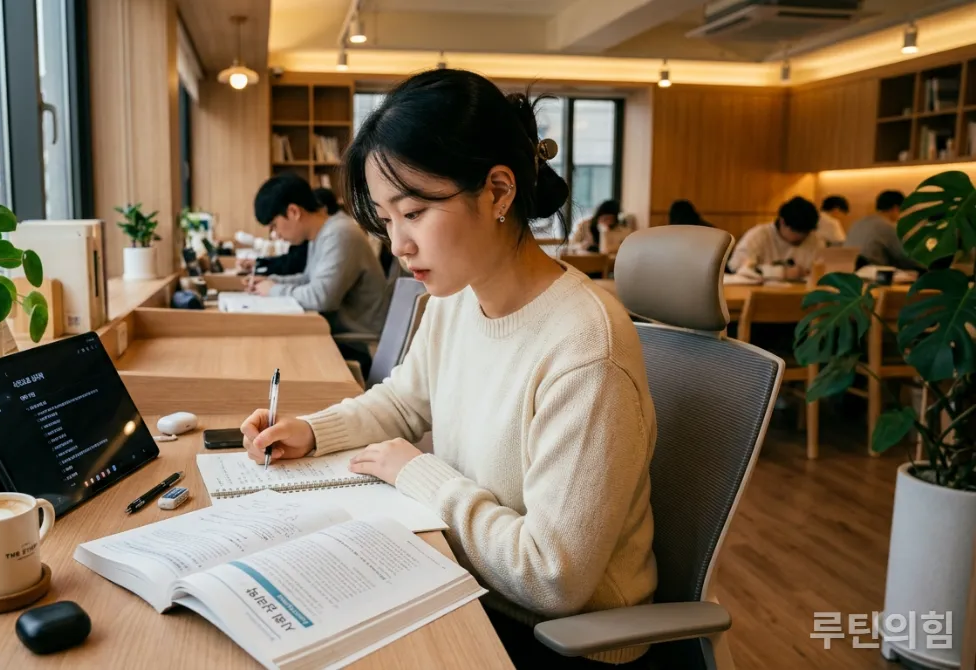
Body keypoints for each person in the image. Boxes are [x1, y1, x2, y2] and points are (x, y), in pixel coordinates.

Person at [240, 69, 657, 668]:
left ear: (499, 192)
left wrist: (419, 475)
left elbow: (554, 577)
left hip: (562, 638)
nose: (398, 245)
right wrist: (312, 430)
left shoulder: (585, 348)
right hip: (475, 588)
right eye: (386, 220)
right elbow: (403, 403)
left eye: (413, 212)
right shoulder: (456, 300)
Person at [249, 173, 389, 377]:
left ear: (293, 211)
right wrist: (271, 282)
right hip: (336, 334)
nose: (275, 235)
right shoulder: (323, 233)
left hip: (357, 343)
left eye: (273, 225)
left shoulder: (340, 233)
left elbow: (321, 298)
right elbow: (308, 279)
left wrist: (274, 290)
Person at [727, 196, 823, 279]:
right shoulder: (759, 235)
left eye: (806, 233)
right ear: (782, 222)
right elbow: (737, 267)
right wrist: (782, 273)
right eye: (797, 231)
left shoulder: (814, 239)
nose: (802, 237)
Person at [844, 190, 920, 270]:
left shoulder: (857, 223)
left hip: (852, 274)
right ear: (896, 208)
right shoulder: (886, 226)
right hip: (876, 275)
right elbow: (905, 257)